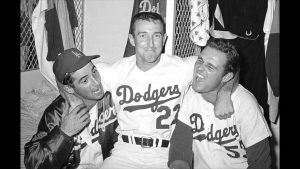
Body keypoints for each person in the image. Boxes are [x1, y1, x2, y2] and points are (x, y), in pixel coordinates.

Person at [95, 12, 236, 169]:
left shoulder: (182, 68)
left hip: (166, 153)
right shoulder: (116, 71)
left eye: (156, 36)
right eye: (142, 36)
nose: (150, 43)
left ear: (165, 38)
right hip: (124, 152)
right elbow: (68, 74)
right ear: (132, 40)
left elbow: (230, 66)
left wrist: (225, 92)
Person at [168, 38, 272, 169]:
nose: (200, 68)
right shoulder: (191, 95)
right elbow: (180, 142)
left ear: (227, 77)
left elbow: (260, 162)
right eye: (200, 60)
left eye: (210, 67)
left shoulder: (245, 104)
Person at [24, 48, 118, 169]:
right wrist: (64, 133)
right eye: (85, 80)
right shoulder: (56, 113)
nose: (96, 82)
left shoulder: (109, 98)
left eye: (94, 71)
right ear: (69, 88)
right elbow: (32, 163)